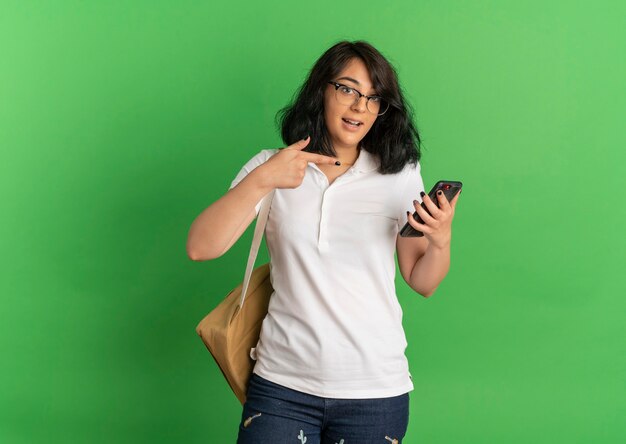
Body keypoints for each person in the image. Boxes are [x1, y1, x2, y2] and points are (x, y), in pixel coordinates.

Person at [187, 40, 460, 444]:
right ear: (321, 90)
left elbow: (422, 281)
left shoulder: (399, 174)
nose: (359, 108)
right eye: (348, 89)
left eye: (373, 98)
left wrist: (440, 239)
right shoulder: (270, 165)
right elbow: (200, 247)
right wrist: (264, 178)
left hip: (374, 390)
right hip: (281, 385)